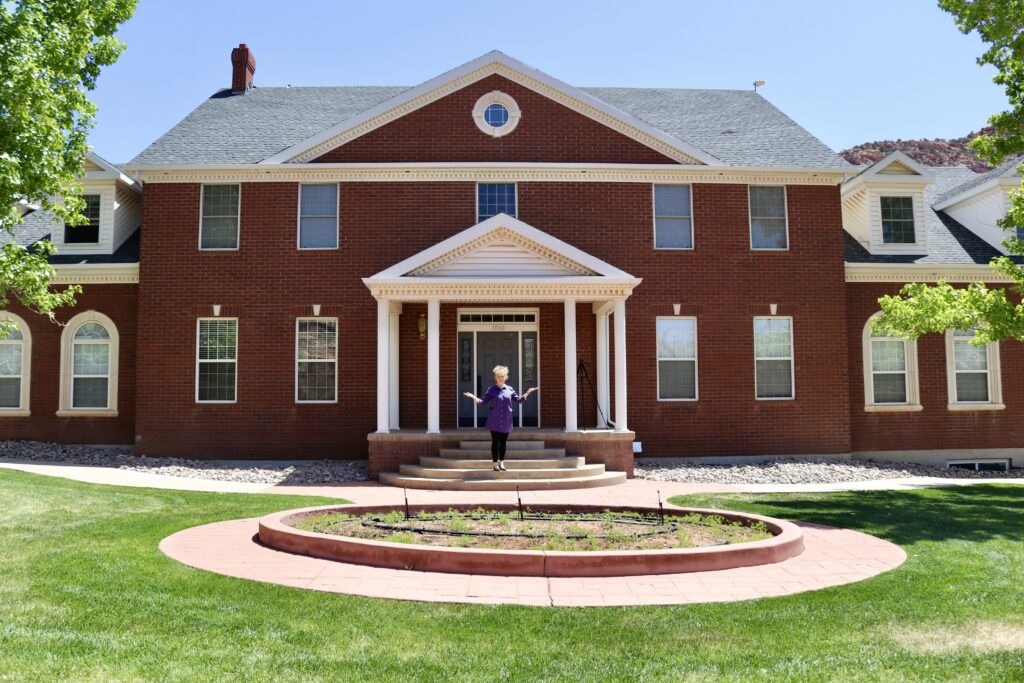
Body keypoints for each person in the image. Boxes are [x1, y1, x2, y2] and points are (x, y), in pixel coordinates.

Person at [462, 365, 539, 471]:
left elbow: (519, 400)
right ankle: (495, 464)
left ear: (505, 377)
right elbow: (483, 402)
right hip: (494, 421)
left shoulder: (510, 389)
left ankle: (501, 463)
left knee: (503, 443)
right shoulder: (491, 389)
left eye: (502, 376)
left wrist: (528, 392)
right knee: (495, 442)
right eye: (498, 376)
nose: (500, 378)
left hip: (506, 421)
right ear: (495, 377)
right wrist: (472, 396)